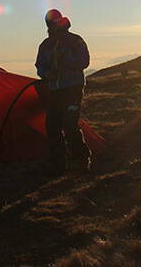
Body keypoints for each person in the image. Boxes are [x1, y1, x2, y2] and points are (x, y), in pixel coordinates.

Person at [35, 9, 91, 174]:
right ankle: (59, 163)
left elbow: (84, 62)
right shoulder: (45, 45)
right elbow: (39, 66)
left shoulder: (75, 41)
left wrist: (64, 57)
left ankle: (82, 160)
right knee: (52, 126)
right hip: (54, 90)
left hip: (72, 88)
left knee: (69, 124)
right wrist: (46, 74)